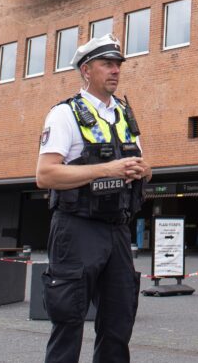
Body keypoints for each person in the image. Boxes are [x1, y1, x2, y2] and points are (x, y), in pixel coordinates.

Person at [36, 34, 151, 363]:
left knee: (118, 325)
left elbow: (143, 167)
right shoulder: (65, 115)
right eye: (107, 64)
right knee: (68, 322)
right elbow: (45, 175)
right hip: (76, 229)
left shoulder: (125, 114)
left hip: (118, 230)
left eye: (118, 65)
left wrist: (143, 170)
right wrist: (107, 169)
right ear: (86, 70)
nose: (115, 70)